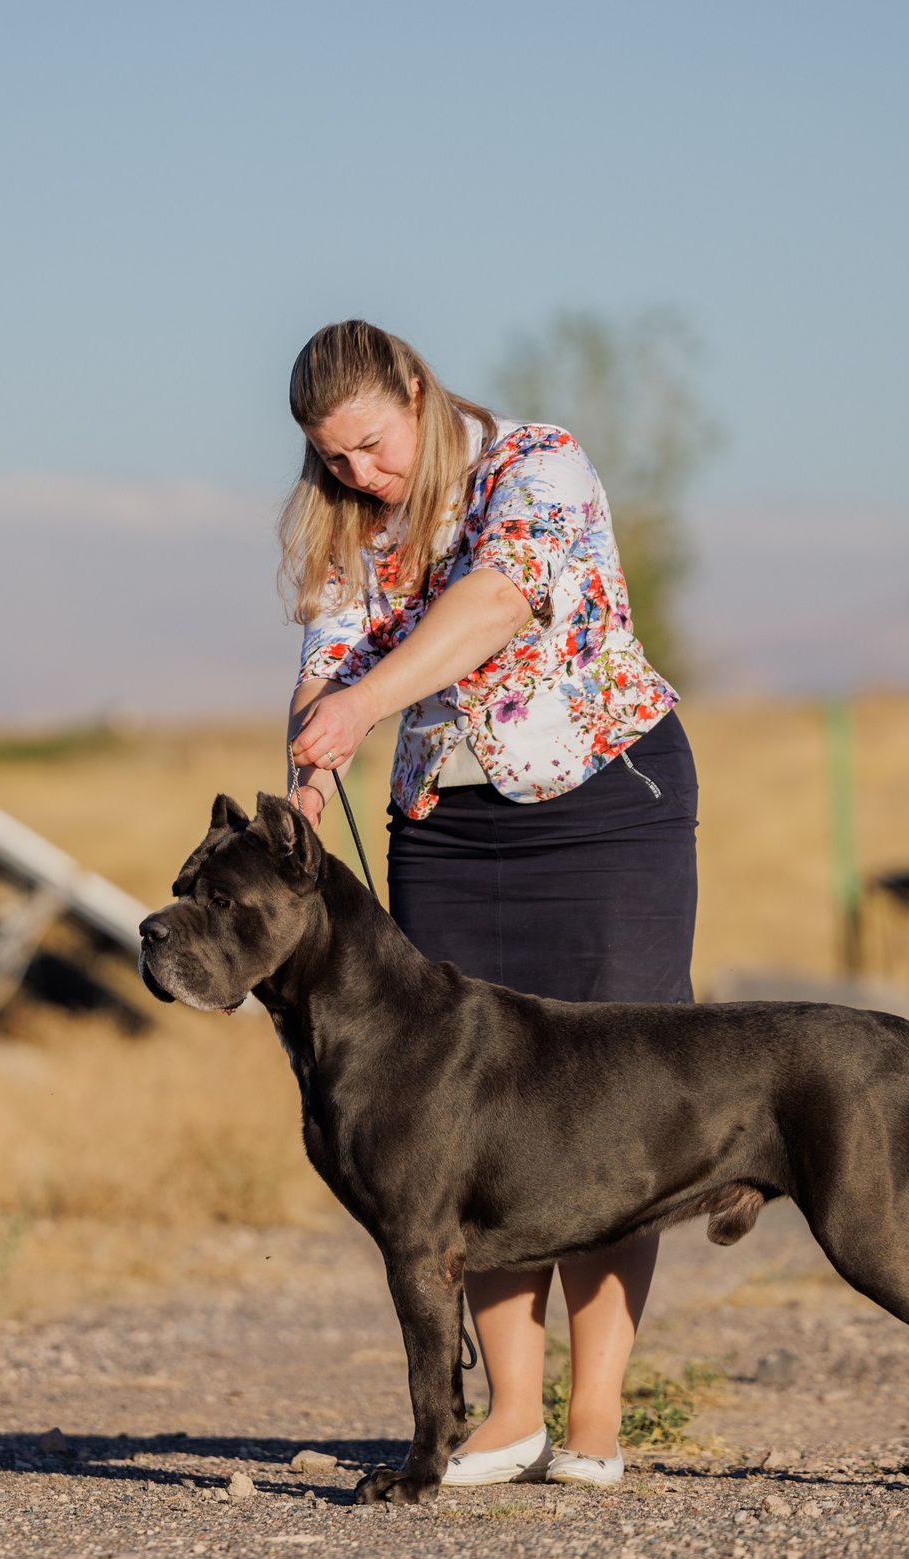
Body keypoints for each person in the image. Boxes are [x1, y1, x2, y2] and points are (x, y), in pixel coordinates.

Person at [278, 320, 697, 1489]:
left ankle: (598, 1415)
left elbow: (498, 601)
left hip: (606, 805)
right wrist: (314, 752)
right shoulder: (353, 520)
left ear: (416, 390)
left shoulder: (538, 464)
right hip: (448, 832)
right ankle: (509, 1409)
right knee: (462, 1122)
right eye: (334, 459)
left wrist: (362, 708)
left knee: (613, 1108)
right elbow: (328, 652)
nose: (359, 474)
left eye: (369, 444)